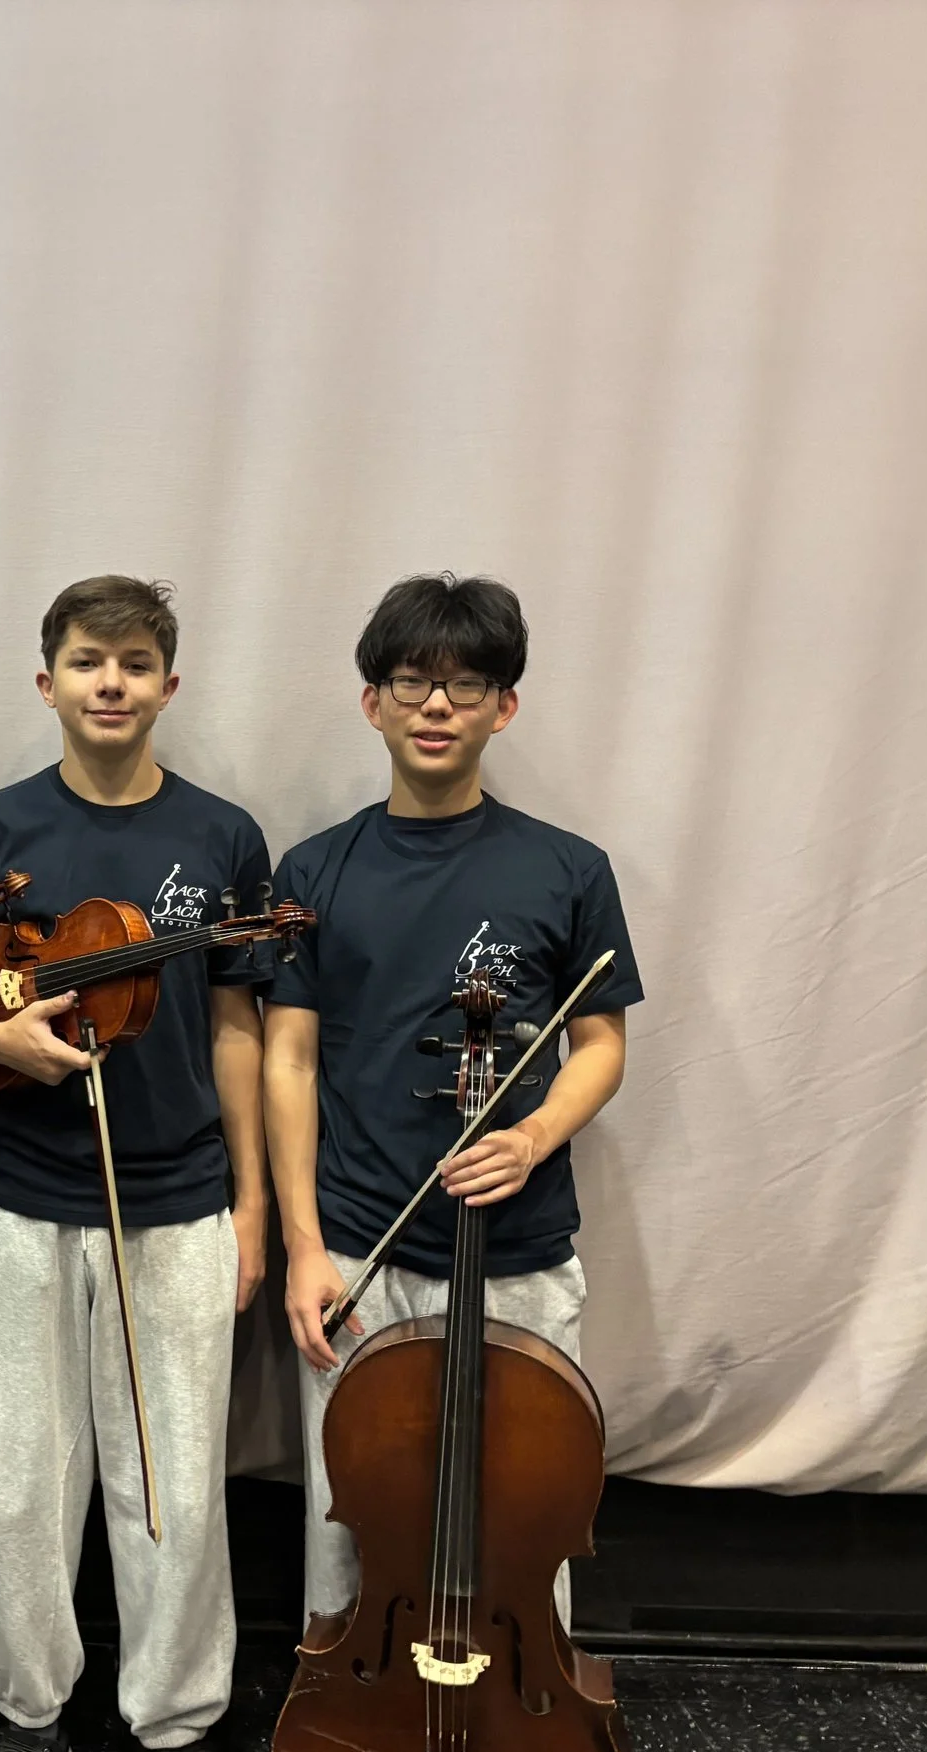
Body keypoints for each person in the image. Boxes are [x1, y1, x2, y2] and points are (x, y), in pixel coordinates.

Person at [0, 576, 283, 1752]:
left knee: (173, 1481)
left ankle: (176, 1729)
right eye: (89, 661)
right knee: (15, 1479)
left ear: (170, 684)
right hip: (10, 1194)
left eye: (136, 661)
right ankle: (28, 1721)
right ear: (46, 680)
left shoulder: (222, 837)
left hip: (180, 1201)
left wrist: (254, 1203)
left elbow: (237, 1023)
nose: (113, 682)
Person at [266, 573, 642, 1636]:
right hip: (359, 1252)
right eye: (412, 682)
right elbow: (288, 1060)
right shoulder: (314, 871)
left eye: (466, 685)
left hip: (518, 1254)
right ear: (372, 701)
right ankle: (344, 1716)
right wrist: (305, 1246)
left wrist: (532, 1136)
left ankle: (515, 1718)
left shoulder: (568, 870)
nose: (436, 706)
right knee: (349, 1526)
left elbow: (600, 1047)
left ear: (502, 707)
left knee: (522, 1520)